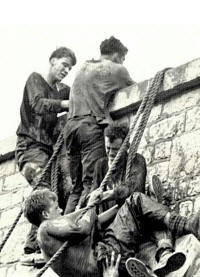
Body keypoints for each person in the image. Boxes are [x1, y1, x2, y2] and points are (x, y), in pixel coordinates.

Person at [23, 188, 198, 277]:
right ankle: (187, 225)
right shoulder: (45, 228)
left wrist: (120, 205)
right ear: (45, 214)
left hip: (106, 263)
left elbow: (95, 220)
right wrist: (92, 204)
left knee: (138, 208)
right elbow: (83, 228)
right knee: (137, 200)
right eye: (55, 208)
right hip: (106, 258)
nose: (61, 209)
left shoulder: (52, 241)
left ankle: (156, 263)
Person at [15, 47, 76, 261]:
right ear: (52, 61)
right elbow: (38, 104)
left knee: (57, 192)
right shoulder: (35, 80)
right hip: (29, 149)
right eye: (63, 64)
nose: (66, 70)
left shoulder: (62, 90)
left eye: (70, 67)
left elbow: (81, 91)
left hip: (47, 152)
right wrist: (64, 104)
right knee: (45, 193)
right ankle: (32, 248)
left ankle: (36, 245)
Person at [64, 36, 135, 214]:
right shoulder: (117, 69)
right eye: (123, 58)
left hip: (70, 126)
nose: (123, 62)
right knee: (91, 183)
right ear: (117, 55)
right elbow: (136, 88)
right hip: (89, 127)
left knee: (76, 187)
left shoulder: (84, 67)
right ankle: (82, 230)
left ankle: (64, 228)